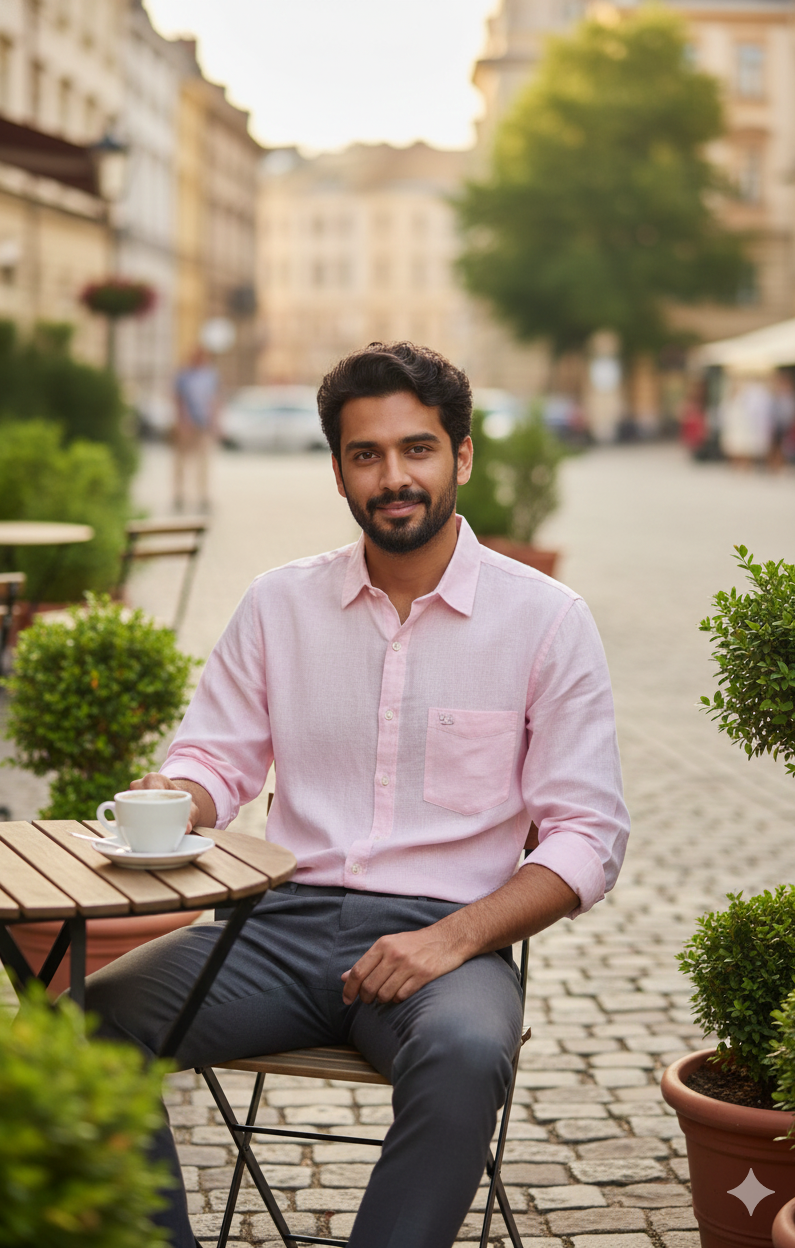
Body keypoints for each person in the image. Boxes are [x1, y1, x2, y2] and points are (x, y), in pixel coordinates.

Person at [87, 342, 630, 1248]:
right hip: (276, 925)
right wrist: (179, 795)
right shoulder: (278, 605)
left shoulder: (545, 620)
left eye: (417, 449)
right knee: (88, 1024)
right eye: (366, 454)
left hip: (450, 944)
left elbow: (589, 836)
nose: (394, 477)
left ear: (461, 457)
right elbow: (215, 760)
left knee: (463, 1055)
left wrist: (451, 938)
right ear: (338, 470)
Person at [173, 346, 219, 513]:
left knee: (204, 463)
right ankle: (180, 495)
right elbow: (178, 399)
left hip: (203, 424)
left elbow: (214, 399)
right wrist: (181, 422)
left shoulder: (211, 376)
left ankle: (203, 496)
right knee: (182, 463)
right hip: (187, 424)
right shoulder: (183, 376)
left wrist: (215, 422)